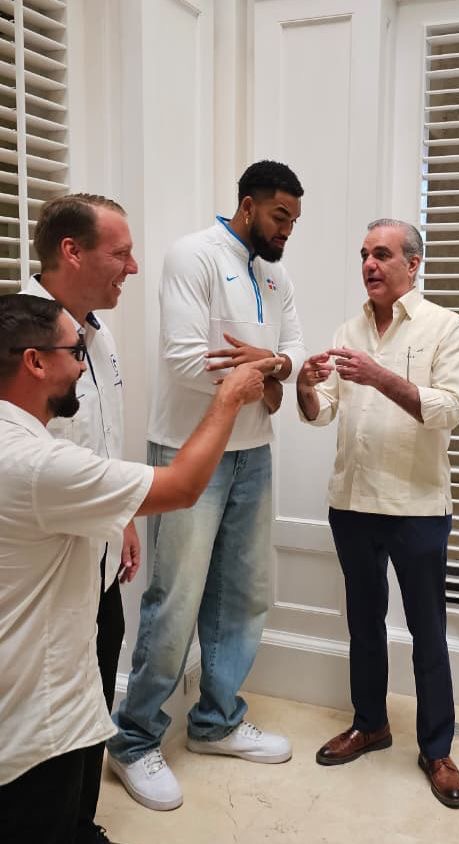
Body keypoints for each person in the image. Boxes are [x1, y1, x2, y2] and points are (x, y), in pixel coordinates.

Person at [0, 294, 278, 844]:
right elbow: (183, 487)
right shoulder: (35, 463)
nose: (83, 366)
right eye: (74, 353)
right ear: (34, 362)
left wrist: (118, 515)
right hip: (35, 720)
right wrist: (228, 398)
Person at [107, 160, 306, 811]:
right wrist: (269, 373)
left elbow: (298, 352)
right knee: (176, 599)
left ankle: (216, 723)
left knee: (243, 594)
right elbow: (186, 359)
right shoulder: (191, 255)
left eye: (294, 220)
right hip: (187, 450)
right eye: (279, 216)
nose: (286, 230)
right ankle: (133, 739)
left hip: (255, 454)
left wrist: (271, 363)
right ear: (248, 205)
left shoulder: (276, 273)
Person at [297, 219, 459, 809]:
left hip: (417, 506)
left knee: (427, 631)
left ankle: (437, 750)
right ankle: (370, 724)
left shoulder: (446, 326)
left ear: (412, 264)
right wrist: (305, 385)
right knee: (364, 624)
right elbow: (322, 411)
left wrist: (379, 377)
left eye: (382, 254)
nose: (369, 264)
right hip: (351, 503)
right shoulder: (347, 330)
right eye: (364, 254)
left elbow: (448, 409)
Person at [21, 193, 140, 844]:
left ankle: (81, 824)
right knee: (46, 721)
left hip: (99, 565)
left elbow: (102, 441)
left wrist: (123, 518)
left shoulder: (98, 334)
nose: (133, 267)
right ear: (72, 251)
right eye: (121, 253)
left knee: (93, 702)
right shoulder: (18, 338)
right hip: (43, 579)